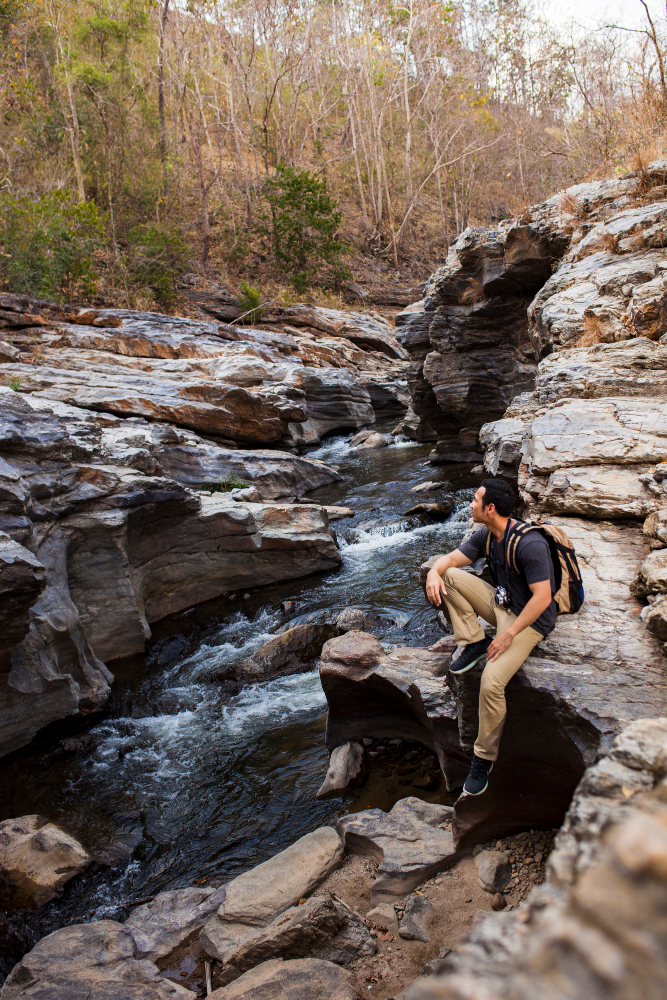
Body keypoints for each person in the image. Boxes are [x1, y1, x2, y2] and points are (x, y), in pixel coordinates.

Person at [424, 478, 557, 796]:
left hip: (529, 622)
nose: (470, 504)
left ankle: (483, 758)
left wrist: (509, 634)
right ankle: (473, 641)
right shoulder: (487, 534)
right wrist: (432, 572)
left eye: (475, 500)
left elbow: (543, 598)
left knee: (492, 683)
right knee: (449, 576)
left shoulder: (530, 544)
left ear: (490, 508)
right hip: (502, 604)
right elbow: (451, 561)